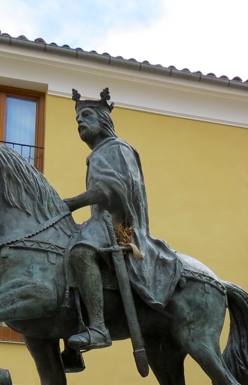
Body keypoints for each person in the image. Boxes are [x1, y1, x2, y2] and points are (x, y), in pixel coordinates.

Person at [63, 88, 181, 351]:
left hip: (122, 227)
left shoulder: (118, 148)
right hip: (101, 223)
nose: (80, 122)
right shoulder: (96, 154)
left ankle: (98, 329)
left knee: (81, 252)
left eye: (86, 115)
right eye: (77, 118)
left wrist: (72, 203)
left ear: (103, 120)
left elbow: (115, 190)